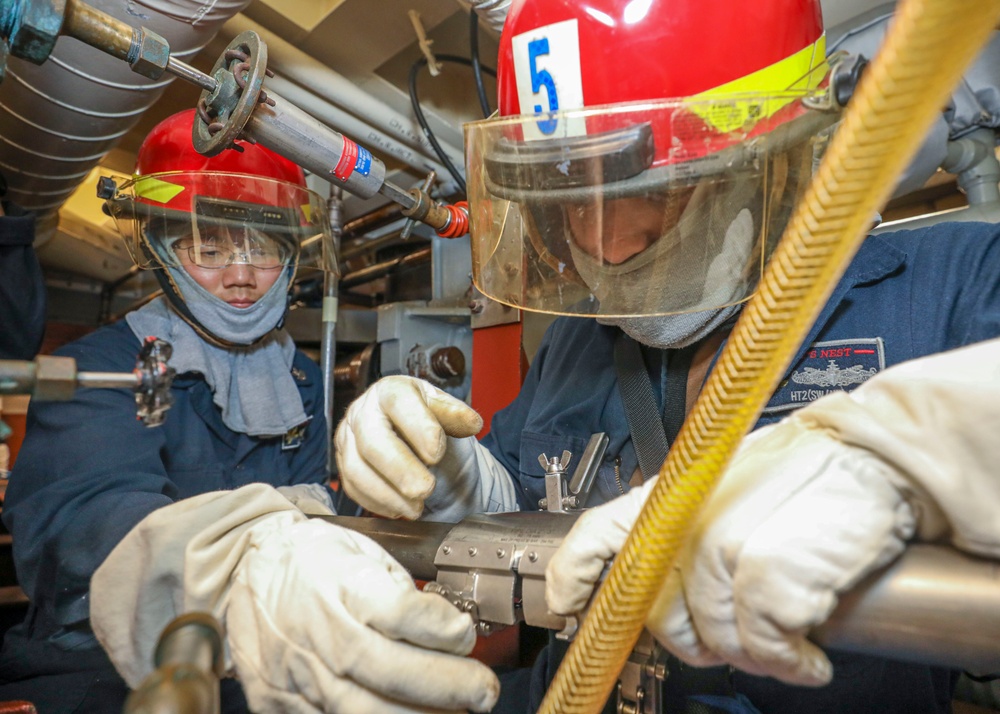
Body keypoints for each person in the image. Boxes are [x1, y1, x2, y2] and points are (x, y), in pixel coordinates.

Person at [334, 1, 1000, 712]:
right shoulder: (577, 338)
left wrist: (896, 458)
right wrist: (459, 484)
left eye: (657, 190)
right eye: (571, 199)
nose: (606, 246)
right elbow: (525, 502)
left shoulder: (953, 287)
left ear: (767, 153)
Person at [0, 108, 499, 714]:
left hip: (267, 658)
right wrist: (255, 553)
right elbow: (92, 530)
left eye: (262, 246)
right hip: (98, 668)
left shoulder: (299, 379)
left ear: (292, 253)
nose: (241, 275)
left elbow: (325, 513)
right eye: (208, 246)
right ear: (158, 243)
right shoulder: (98, 368)